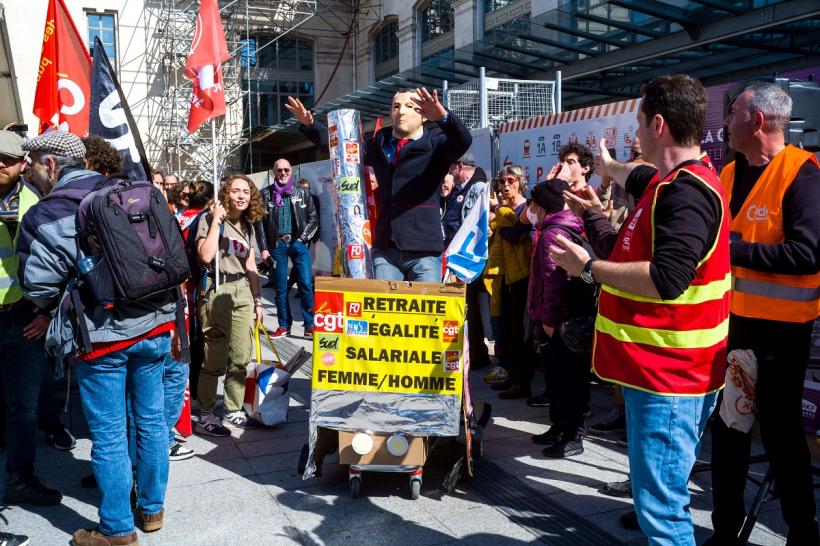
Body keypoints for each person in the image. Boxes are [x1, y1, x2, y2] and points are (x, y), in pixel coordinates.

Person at [550, 74, 730, 545]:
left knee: (663, 512)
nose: (636, 134)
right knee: (660, 502)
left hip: (670, 378)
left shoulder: (686, 192)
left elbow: (667, 279)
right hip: (661, 373)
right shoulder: (668, 182)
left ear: (658, 124)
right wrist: (599, 196)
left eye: (638, 124)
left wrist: (588, 268)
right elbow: (633, 184)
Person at [18, 130, 181, 545]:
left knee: (109, 434)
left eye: (33, 164)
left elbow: (36, 286)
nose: (29, 172)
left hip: (102, 335)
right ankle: (152, 510)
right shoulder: (128, 190)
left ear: (50, 164)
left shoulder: (46, 213)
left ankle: (117, 529)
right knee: (151, 421)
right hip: (155, 324)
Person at [705, 82, 820, 546]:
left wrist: (735, 250)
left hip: (781, 336)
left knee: (781, 435)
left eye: (731, 113)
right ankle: (724, 533)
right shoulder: (729, 173)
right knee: (728, 430)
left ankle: (803, 533)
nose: (724, 122)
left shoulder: (803, 173)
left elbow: (807, 254)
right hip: (733, 328)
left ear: (756, 121)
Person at [287, 88, 471, 282]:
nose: (401, 111)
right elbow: (342, 147)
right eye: (396, 106)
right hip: (386, 249)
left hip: (424, 250)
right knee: (382, 303)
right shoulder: (379, 143)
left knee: (425, 303)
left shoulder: (436, 142)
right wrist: (310, 124)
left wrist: (443, 117)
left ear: (423, 115)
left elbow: (463, 140)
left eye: (410, 106)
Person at [0, 130, 63, 507]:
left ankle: (20, 478)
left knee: (23, 406)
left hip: (24, 318)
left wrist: (47, 311)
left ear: (21, 164)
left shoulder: (36, 201)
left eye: (7, 160)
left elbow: (57, 261)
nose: (0, 165)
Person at [195, 175, 265, 436]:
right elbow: (205, 255)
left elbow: (250, 264)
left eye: (246, 191)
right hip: (217, 288)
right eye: (236, 191)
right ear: (226, 193)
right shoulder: (208, 219)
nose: (242, 196)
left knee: (240, 357)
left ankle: (233, 409)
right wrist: (216, 220)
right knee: (214, 356)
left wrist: (258, 300)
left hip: (242, 291)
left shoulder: (248, 225)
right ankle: (206, 413)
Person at [526, 178, 588, 457]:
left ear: (541, 206)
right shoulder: (567, 225)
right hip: (566, 316)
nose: (531, 210)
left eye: (534, 204)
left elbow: (553, 281)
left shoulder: (553, 233)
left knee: (566, 378)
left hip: (560, 319)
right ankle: (560, 426)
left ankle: (573, 434)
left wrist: (548, 320)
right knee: (558, 376)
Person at [255, 159, 318, 339]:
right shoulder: (264, 194)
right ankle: (284, 325)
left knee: (305, 284)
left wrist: (302, 239)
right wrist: (263, 248)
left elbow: (313, 219)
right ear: (274, 172)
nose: (283, 173)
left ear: (291, 171)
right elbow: (259, 224)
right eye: (279, 170)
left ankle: (309, 326)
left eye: (286, 170)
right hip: (277, 245)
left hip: (298, 244)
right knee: (281, 288)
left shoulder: (303, 192)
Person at [488, 165, 535, 400]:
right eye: (502, 181)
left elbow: (519, 235)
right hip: (505, 276)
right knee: (508, 329)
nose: (505, 185)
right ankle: (513, 376)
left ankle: (522, 382)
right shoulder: (503, 210)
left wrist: (500, 215)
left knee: (520, 332)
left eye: (511, 180)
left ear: (521, 182)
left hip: (523, 276)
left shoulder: (527, 207)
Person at [443, 151, 491, 371]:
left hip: (466, 259)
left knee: (468, 307)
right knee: (462, 307)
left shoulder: (477, 187)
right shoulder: (460, 189)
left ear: (460, 167)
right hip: (454, 257)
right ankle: (470, 352)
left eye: (451, 166)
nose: (449, 171)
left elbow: (473, 225)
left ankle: (477, 355)